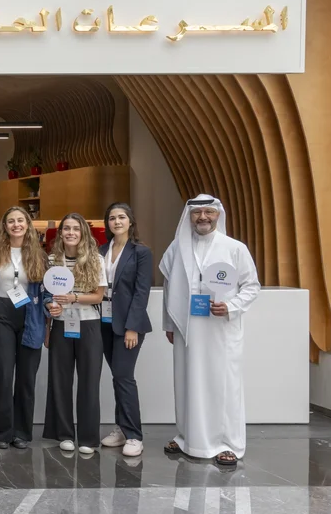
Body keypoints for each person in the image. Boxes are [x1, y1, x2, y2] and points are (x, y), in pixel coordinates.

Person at [161, 194, 260, 466]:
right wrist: (169, 324)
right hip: (187, 329)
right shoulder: (177, 248)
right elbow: (169, 288)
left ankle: (227, 443)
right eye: (197, 213)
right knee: (186, 382)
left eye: (208, 212)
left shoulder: (234, 248)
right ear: (189, 216)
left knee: (222, 384)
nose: (202, 217)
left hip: (221, 330)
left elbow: (252, 286)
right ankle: (187, 438)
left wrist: (230, 306)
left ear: (218, 215)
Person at [42, 213, 108, 455]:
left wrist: (73, 298)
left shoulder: (96, 260)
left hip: (89, 324)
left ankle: (88, 437)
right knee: (60, 381)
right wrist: (51, 308)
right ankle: (65, 434)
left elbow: (99, 297)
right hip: (60, 324)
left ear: (83, 233)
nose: (70, 233)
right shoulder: (52, 260)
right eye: (66, 229)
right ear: (61, 234)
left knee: (89, 382)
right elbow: (47, 295)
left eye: (75, 229)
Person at [0, 207, 48, 450]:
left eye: (20, 220)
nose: (16, 225)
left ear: (28, 224)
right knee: (2, 373)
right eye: (11, 221)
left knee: (26, 377)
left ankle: (22, 432)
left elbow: (47, 289)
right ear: (5, 226)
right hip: (1, 314)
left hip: (30, 315)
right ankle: (2, 432)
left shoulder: (39, 254)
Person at [98, 202, 153, 457]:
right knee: (117, 377)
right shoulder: (101, 251)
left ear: (130, 221)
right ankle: (121, 428)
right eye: (112, 218)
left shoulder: (141, 252)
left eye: (121, 217)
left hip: (128, 325)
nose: (116, 222)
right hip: (104, 323)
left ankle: (134, 435)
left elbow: (142, 293)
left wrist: (132, 327)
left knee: (123, 376)